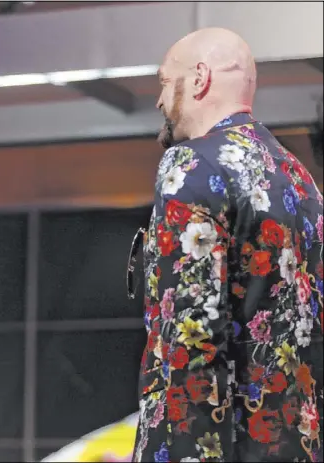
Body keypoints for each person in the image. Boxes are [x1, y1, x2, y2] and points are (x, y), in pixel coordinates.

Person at [129, 28, 323, 462]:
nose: (160, 101)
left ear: (199, 79)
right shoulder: (300, 180)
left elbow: (191, 336)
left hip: (221, 445)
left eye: (164, 82)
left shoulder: (192, 163)